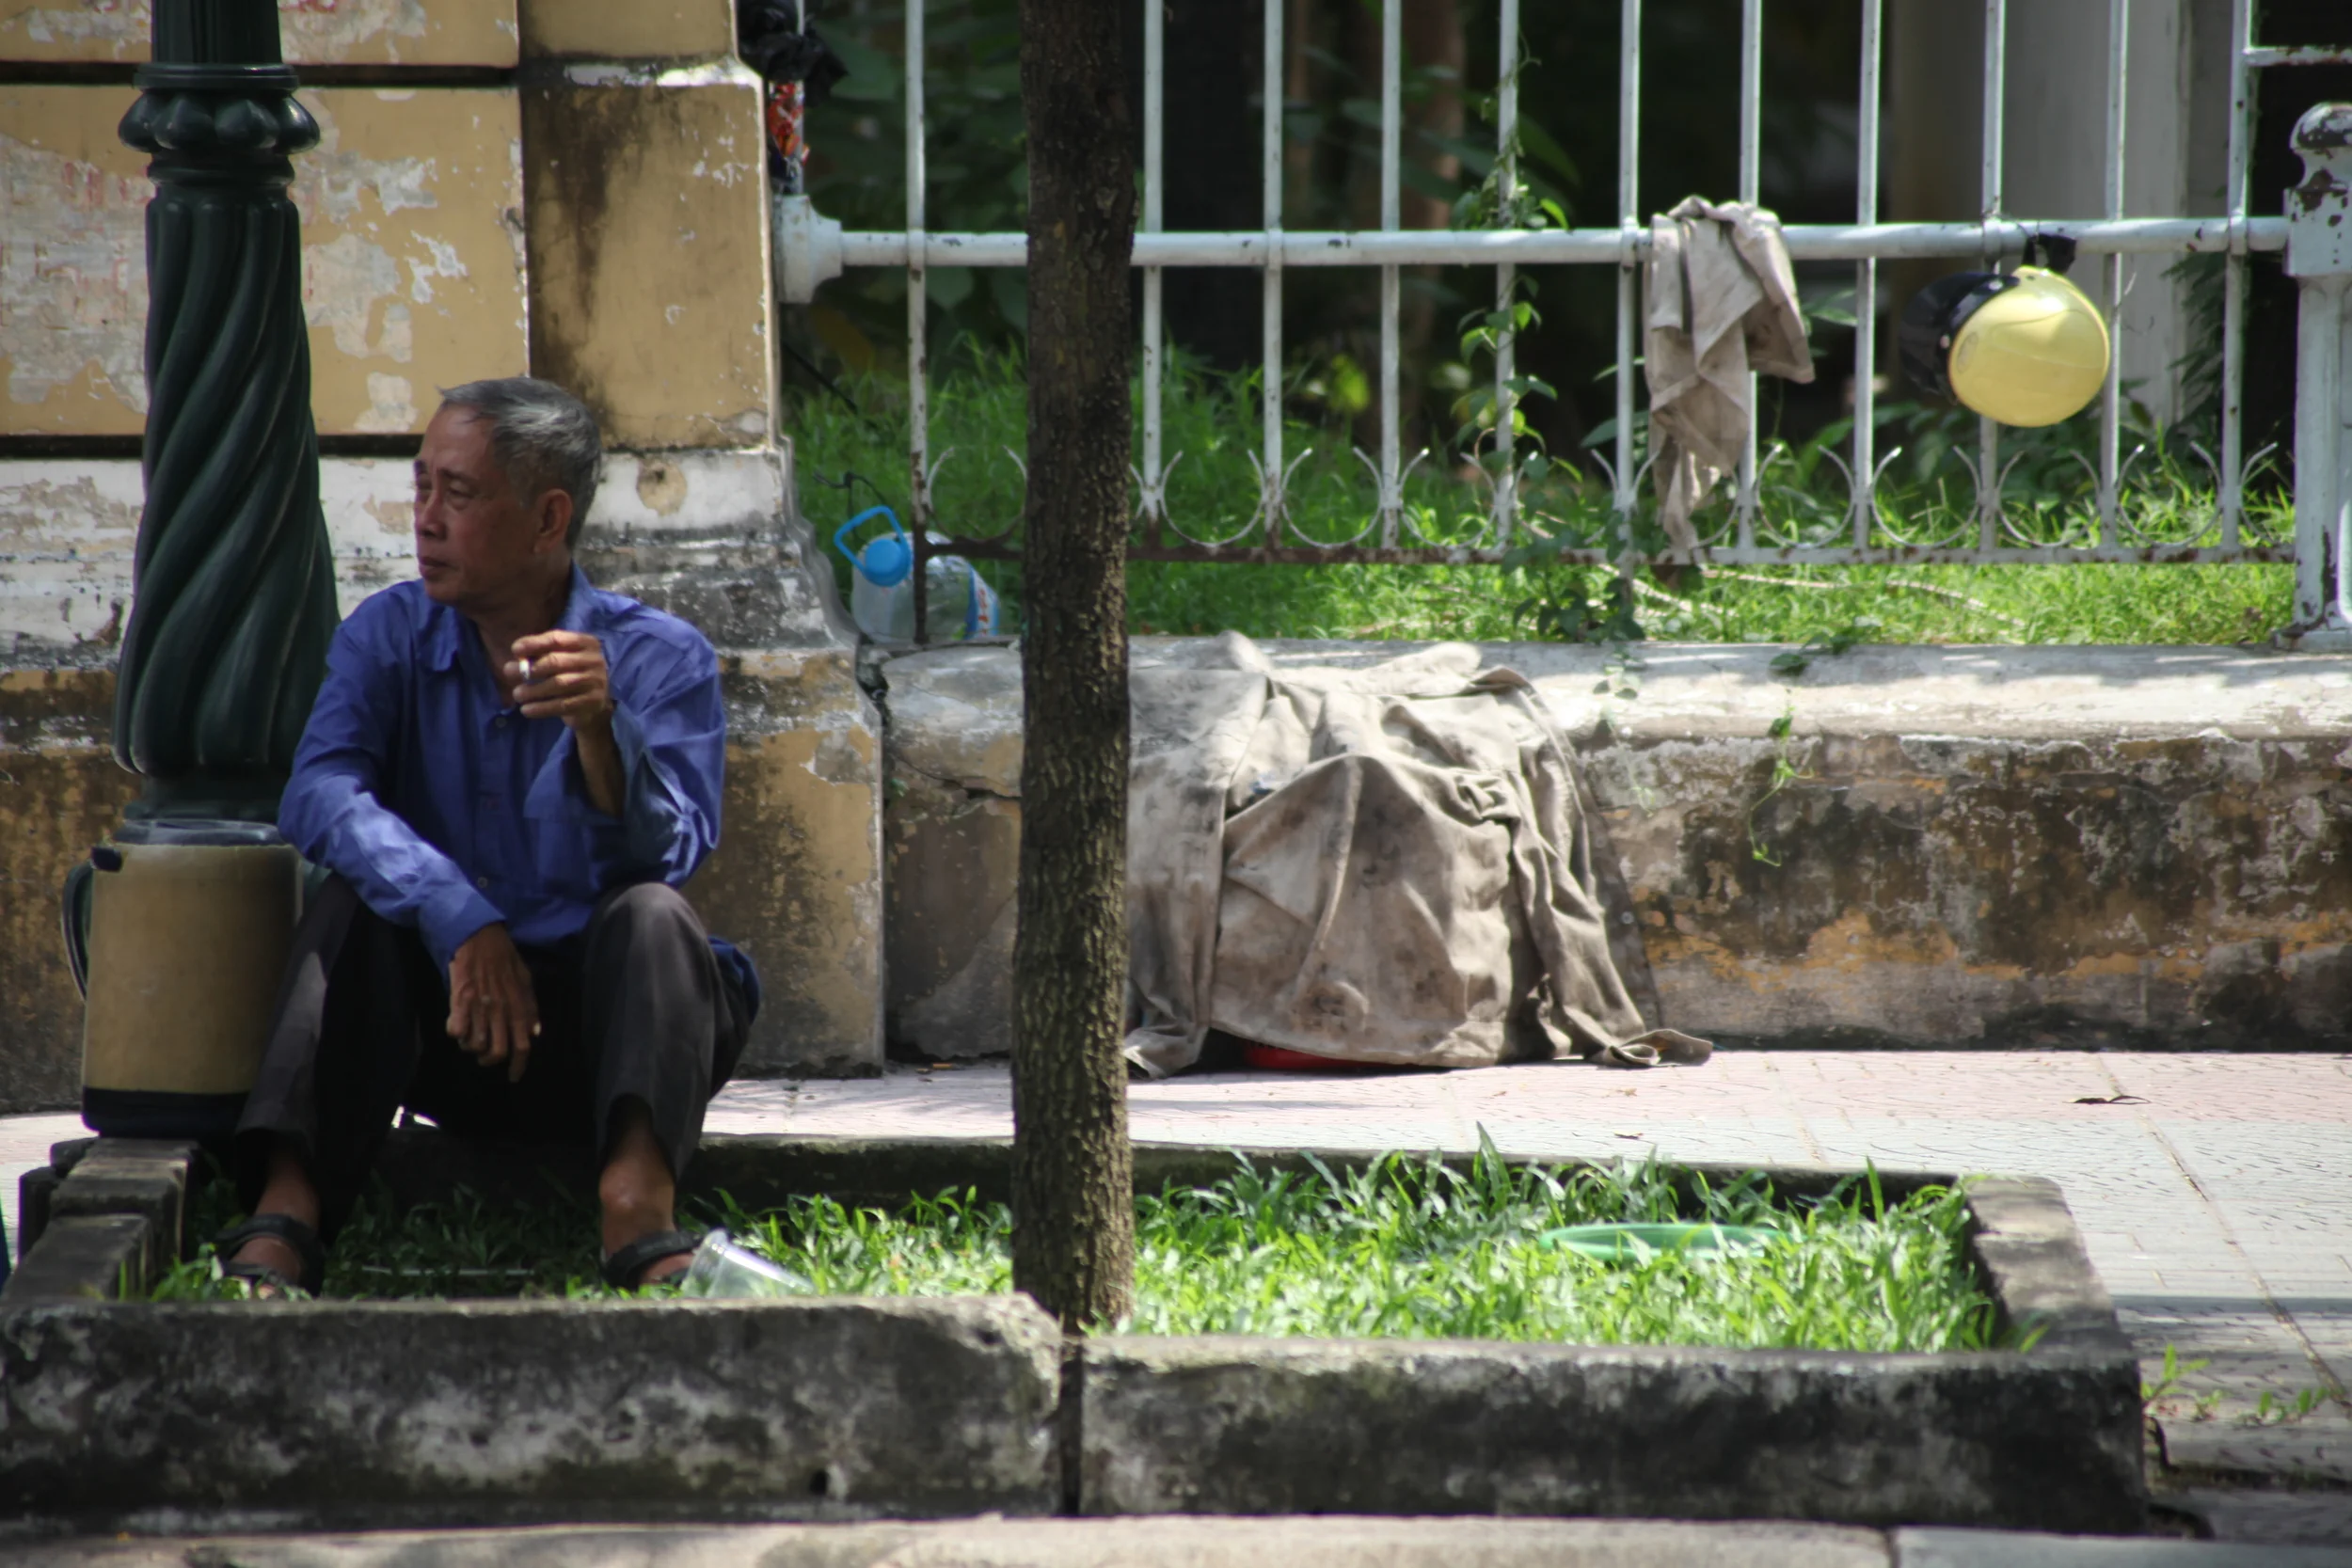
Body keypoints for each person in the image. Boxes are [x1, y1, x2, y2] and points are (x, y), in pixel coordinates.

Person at [216, 376, 757, 1294]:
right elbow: (318, 790)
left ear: (548, 519)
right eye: (422, 485)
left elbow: (671, 853)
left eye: (458, 495)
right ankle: (289, 1205)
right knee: (350, 900)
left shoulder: (660, 656)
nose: (425, 518)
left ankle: (638, 1204)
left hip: (606, 1048)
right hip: (447, 1031)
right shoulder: (386, 634)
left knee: (657, 915)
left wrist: (600, 726)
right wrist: (461, 918)